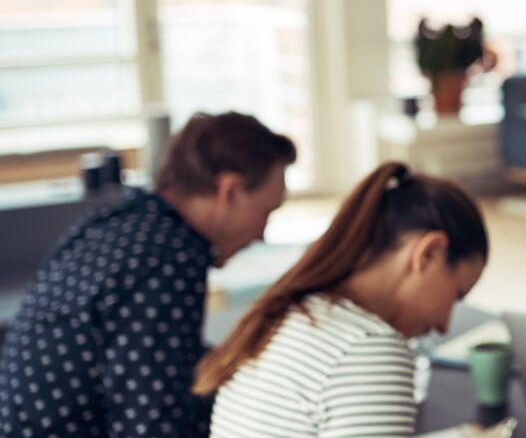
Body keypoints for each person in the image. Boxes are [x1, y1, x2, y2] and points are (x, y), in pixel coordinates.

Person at [0, 111, 296, 437]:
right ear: (230, 190)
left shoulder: (123, 221)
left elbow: (160, 362)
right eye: (265, 212)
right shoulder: (165, 260)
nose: (261, 234)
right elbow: (154, 424)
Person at [196, 161, 489, 438]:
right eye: (456, 295)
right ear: (429, 253)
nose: (444, 325)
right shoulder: (368, 349)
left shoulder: (289, 313)